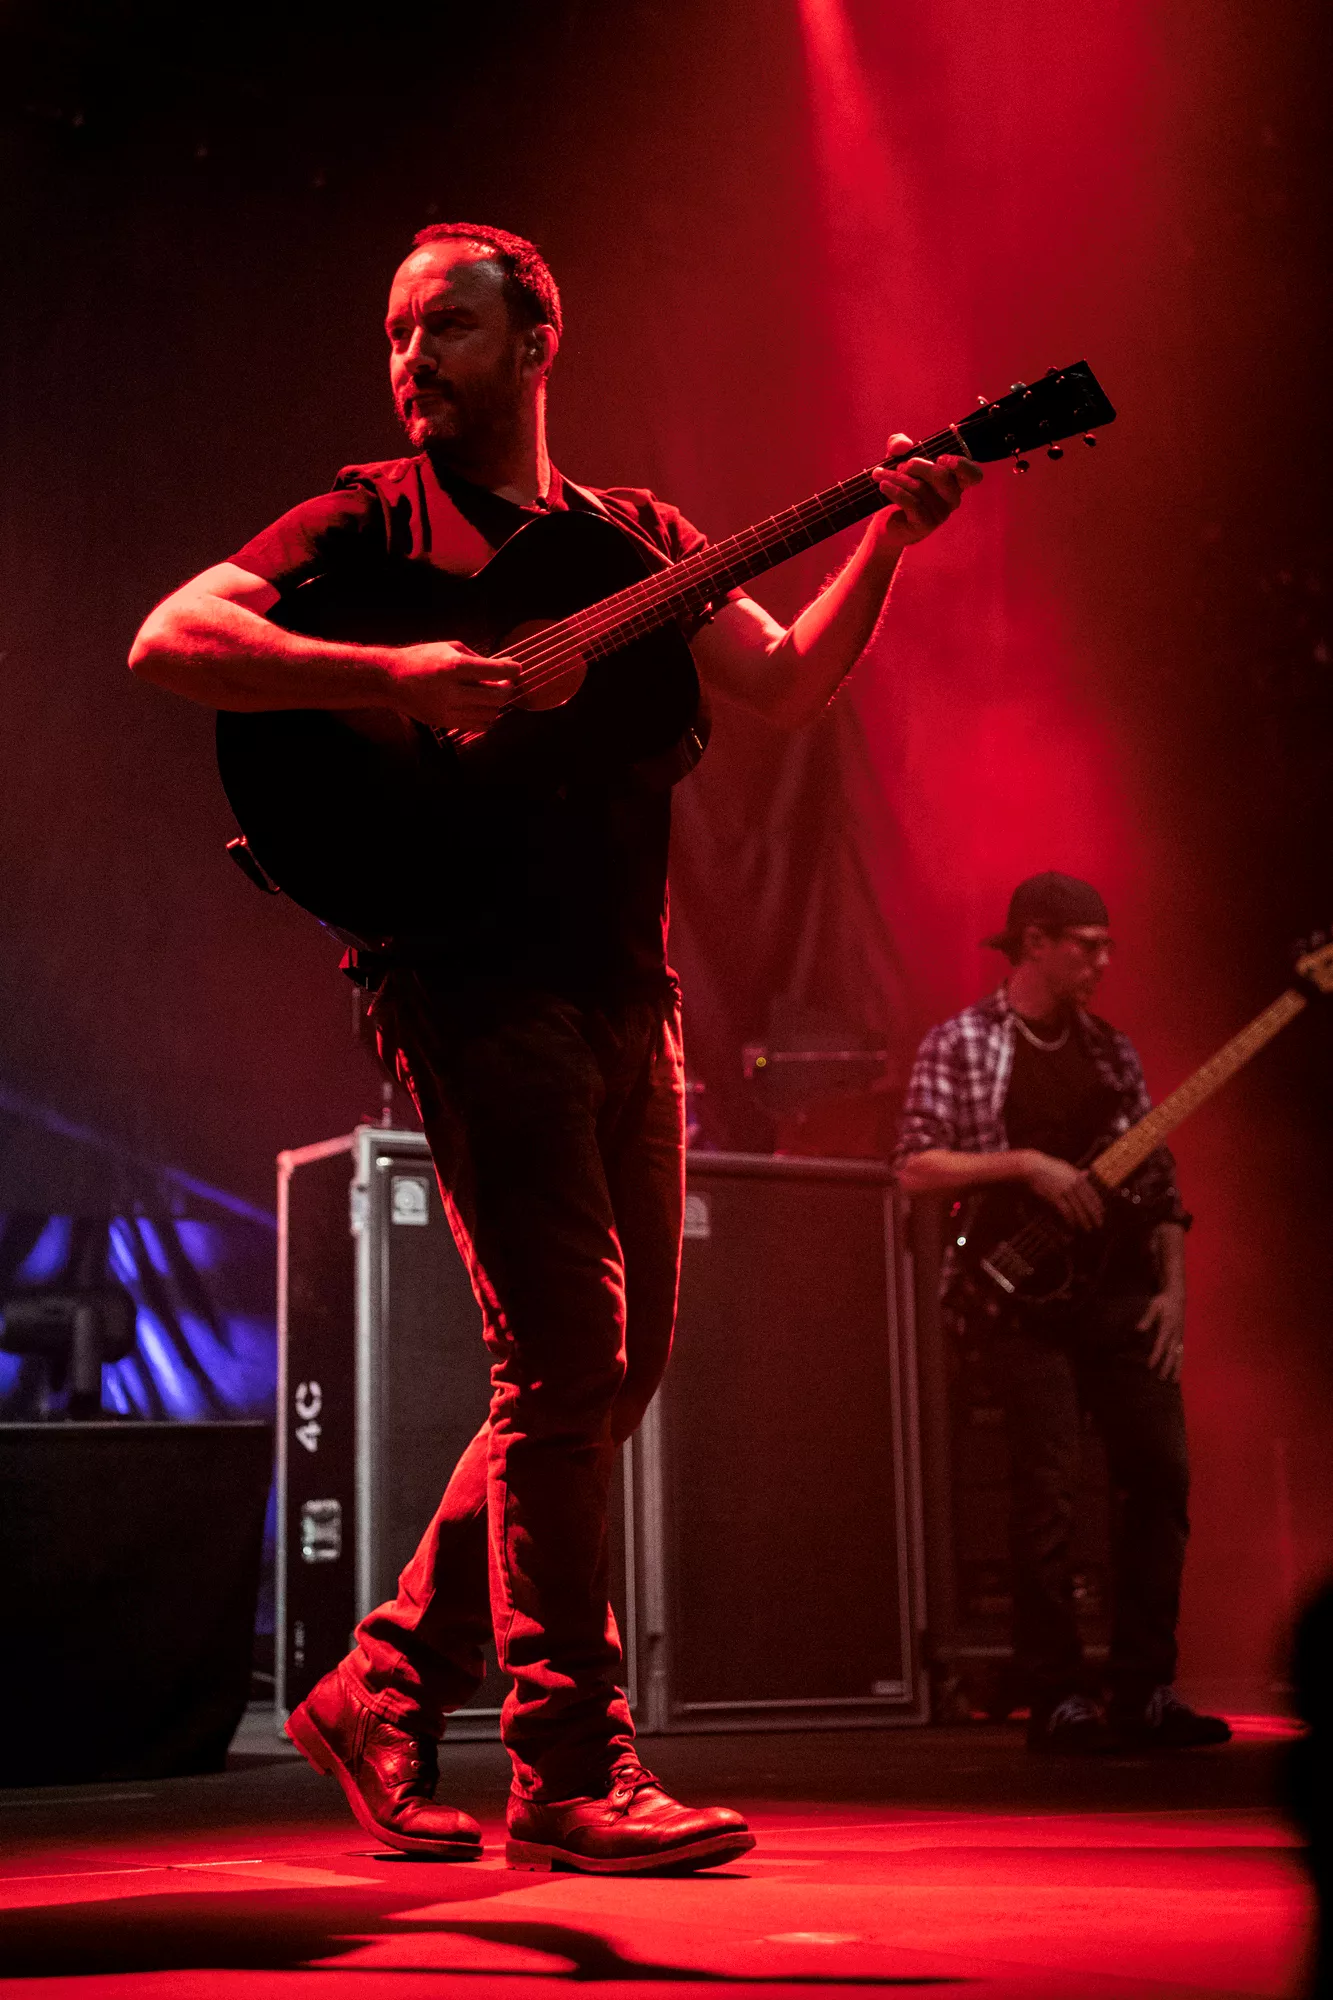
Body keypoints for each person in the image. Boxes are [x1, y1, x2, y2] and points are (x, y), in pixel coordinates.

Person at [129, 222, 980, 1869]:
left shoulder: (636, 540)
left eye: (443, 327)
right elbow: (172, 638)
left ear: (535, 343)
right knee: (565, 1364)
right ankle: (569, 1769)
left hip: (625, 992)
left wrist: (886, 535)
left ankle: (381, 1684)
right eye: (394, 332)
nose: (409, 360)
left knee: (612, 1365)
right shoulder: (368, 517)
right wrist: (391, 670)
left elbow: (782, 687)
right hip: (465, 983)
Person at [894, 872, 1231, 1753]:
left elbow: (1158, 1181)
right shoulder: (961, 1043)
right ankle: (1055, 1695)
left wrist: (1174, 1293)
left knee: (1160, 1476)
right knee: (1044, 1489)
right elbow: (915, 1166)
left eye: (1108, 946)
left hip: (1119, 1295)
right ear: (1034, 943)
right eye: (1087, 945)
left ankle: (1144, 1688)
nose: (1103, 962)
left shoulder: (1111, 1052)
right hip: (1019, 1301)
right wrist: (1026, 1165)